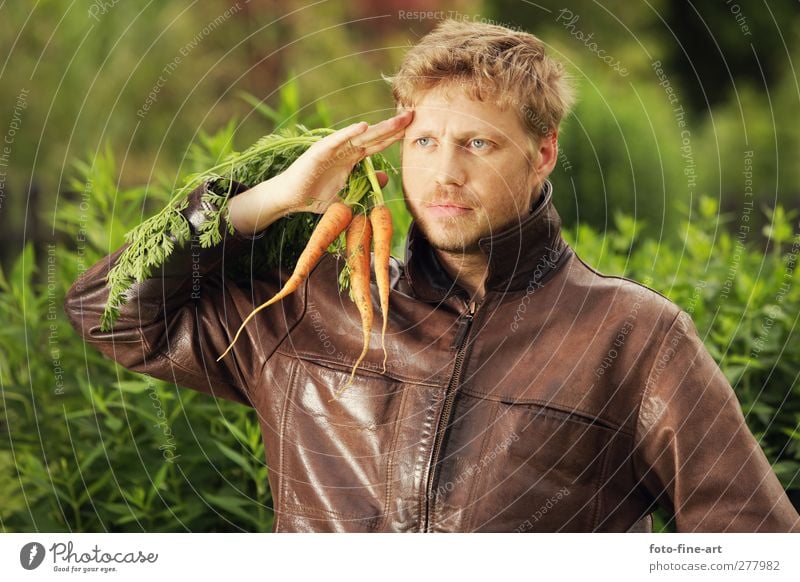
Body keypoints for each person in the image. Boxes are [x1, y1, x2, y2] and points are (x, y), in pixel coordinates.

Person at [64, 19, 800, 532]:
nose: (444, 173)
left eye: (478, 143)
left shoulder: (634, 337)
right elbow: (108, 313)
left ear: (541, 154)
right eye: (424, 141)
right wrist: (267, 200)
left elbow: (753, 544)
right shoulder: (311, 306)